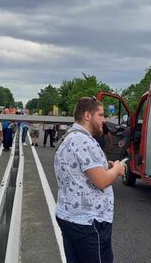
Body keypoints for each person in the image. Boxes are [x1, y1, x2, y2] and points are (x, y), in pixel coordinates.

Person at [54, 97, 126, 263]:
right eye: (100, 115)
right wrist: (117, 169)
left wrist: (103, 166)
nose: (104, 120)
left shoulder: (69, 137)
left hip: (70, 216)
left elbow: (79, 171)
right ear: (88, 115)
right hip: (89, 223)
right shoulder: (85, 142)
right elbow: (101, 182)